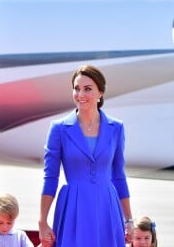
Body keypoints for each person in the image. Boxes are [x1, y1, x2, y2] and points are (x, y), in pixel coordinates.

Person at [38, 64, 134, 247]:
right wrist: (42, 221)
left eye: (87, 89)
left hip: (107, 208)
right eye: (76, 89)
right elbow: (50, 177)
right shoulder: (58, 129)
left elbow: (119, 176)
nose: (80, 95)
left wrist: (128, 219)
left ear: (100, 93)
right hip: (73, 207)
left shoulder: (116, 128)